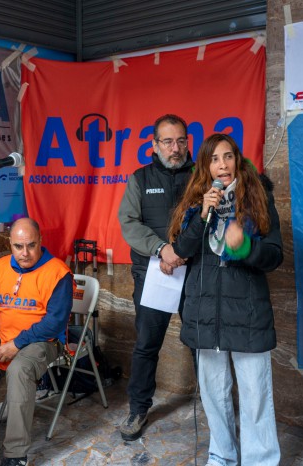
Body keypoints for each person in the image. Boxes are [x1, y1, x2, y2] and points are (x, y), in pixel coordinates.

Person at [167, 133, 283, 465]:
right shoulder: (195, 202)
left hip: (247, 313)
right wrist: (203, 215)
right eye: (215, 159)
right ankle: (222, 456)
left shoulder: (258, 197)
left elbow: (274, 256)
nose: (222, 165)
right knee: (214, 395)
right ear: (206, 166)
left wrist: (245, 247)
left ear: (238, 160)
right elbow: (181, 251)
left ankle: (260, 460)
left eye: (228, 156)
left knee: (255, 394)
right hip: (206, 314)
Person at [117, 113, 194, 441]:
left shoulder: (201, 177)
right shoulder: (139, 178)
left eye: (180, 141)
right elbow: (129, 223)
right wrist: (162, 249)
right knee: (147, 344)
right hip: (153, 272)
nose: (174, 148)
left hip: (195, 272)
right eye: (167, 141)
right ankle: (138, 408)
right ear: (154, 145)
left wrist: (186, 251)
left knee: (203, 344)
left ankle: (217, 405)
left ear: (187, 142)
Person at [0, 218, 74, 466]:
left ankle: (15, 455)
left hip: (44, 341)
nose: (25, 253)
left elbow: (54, 324)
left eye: (31, 245)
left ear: (41, 241)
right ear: (9, 244)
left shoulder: (58, 273)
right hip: (3, 340)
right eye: (18, 246)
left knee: (20, 369)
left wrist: (16, 344)